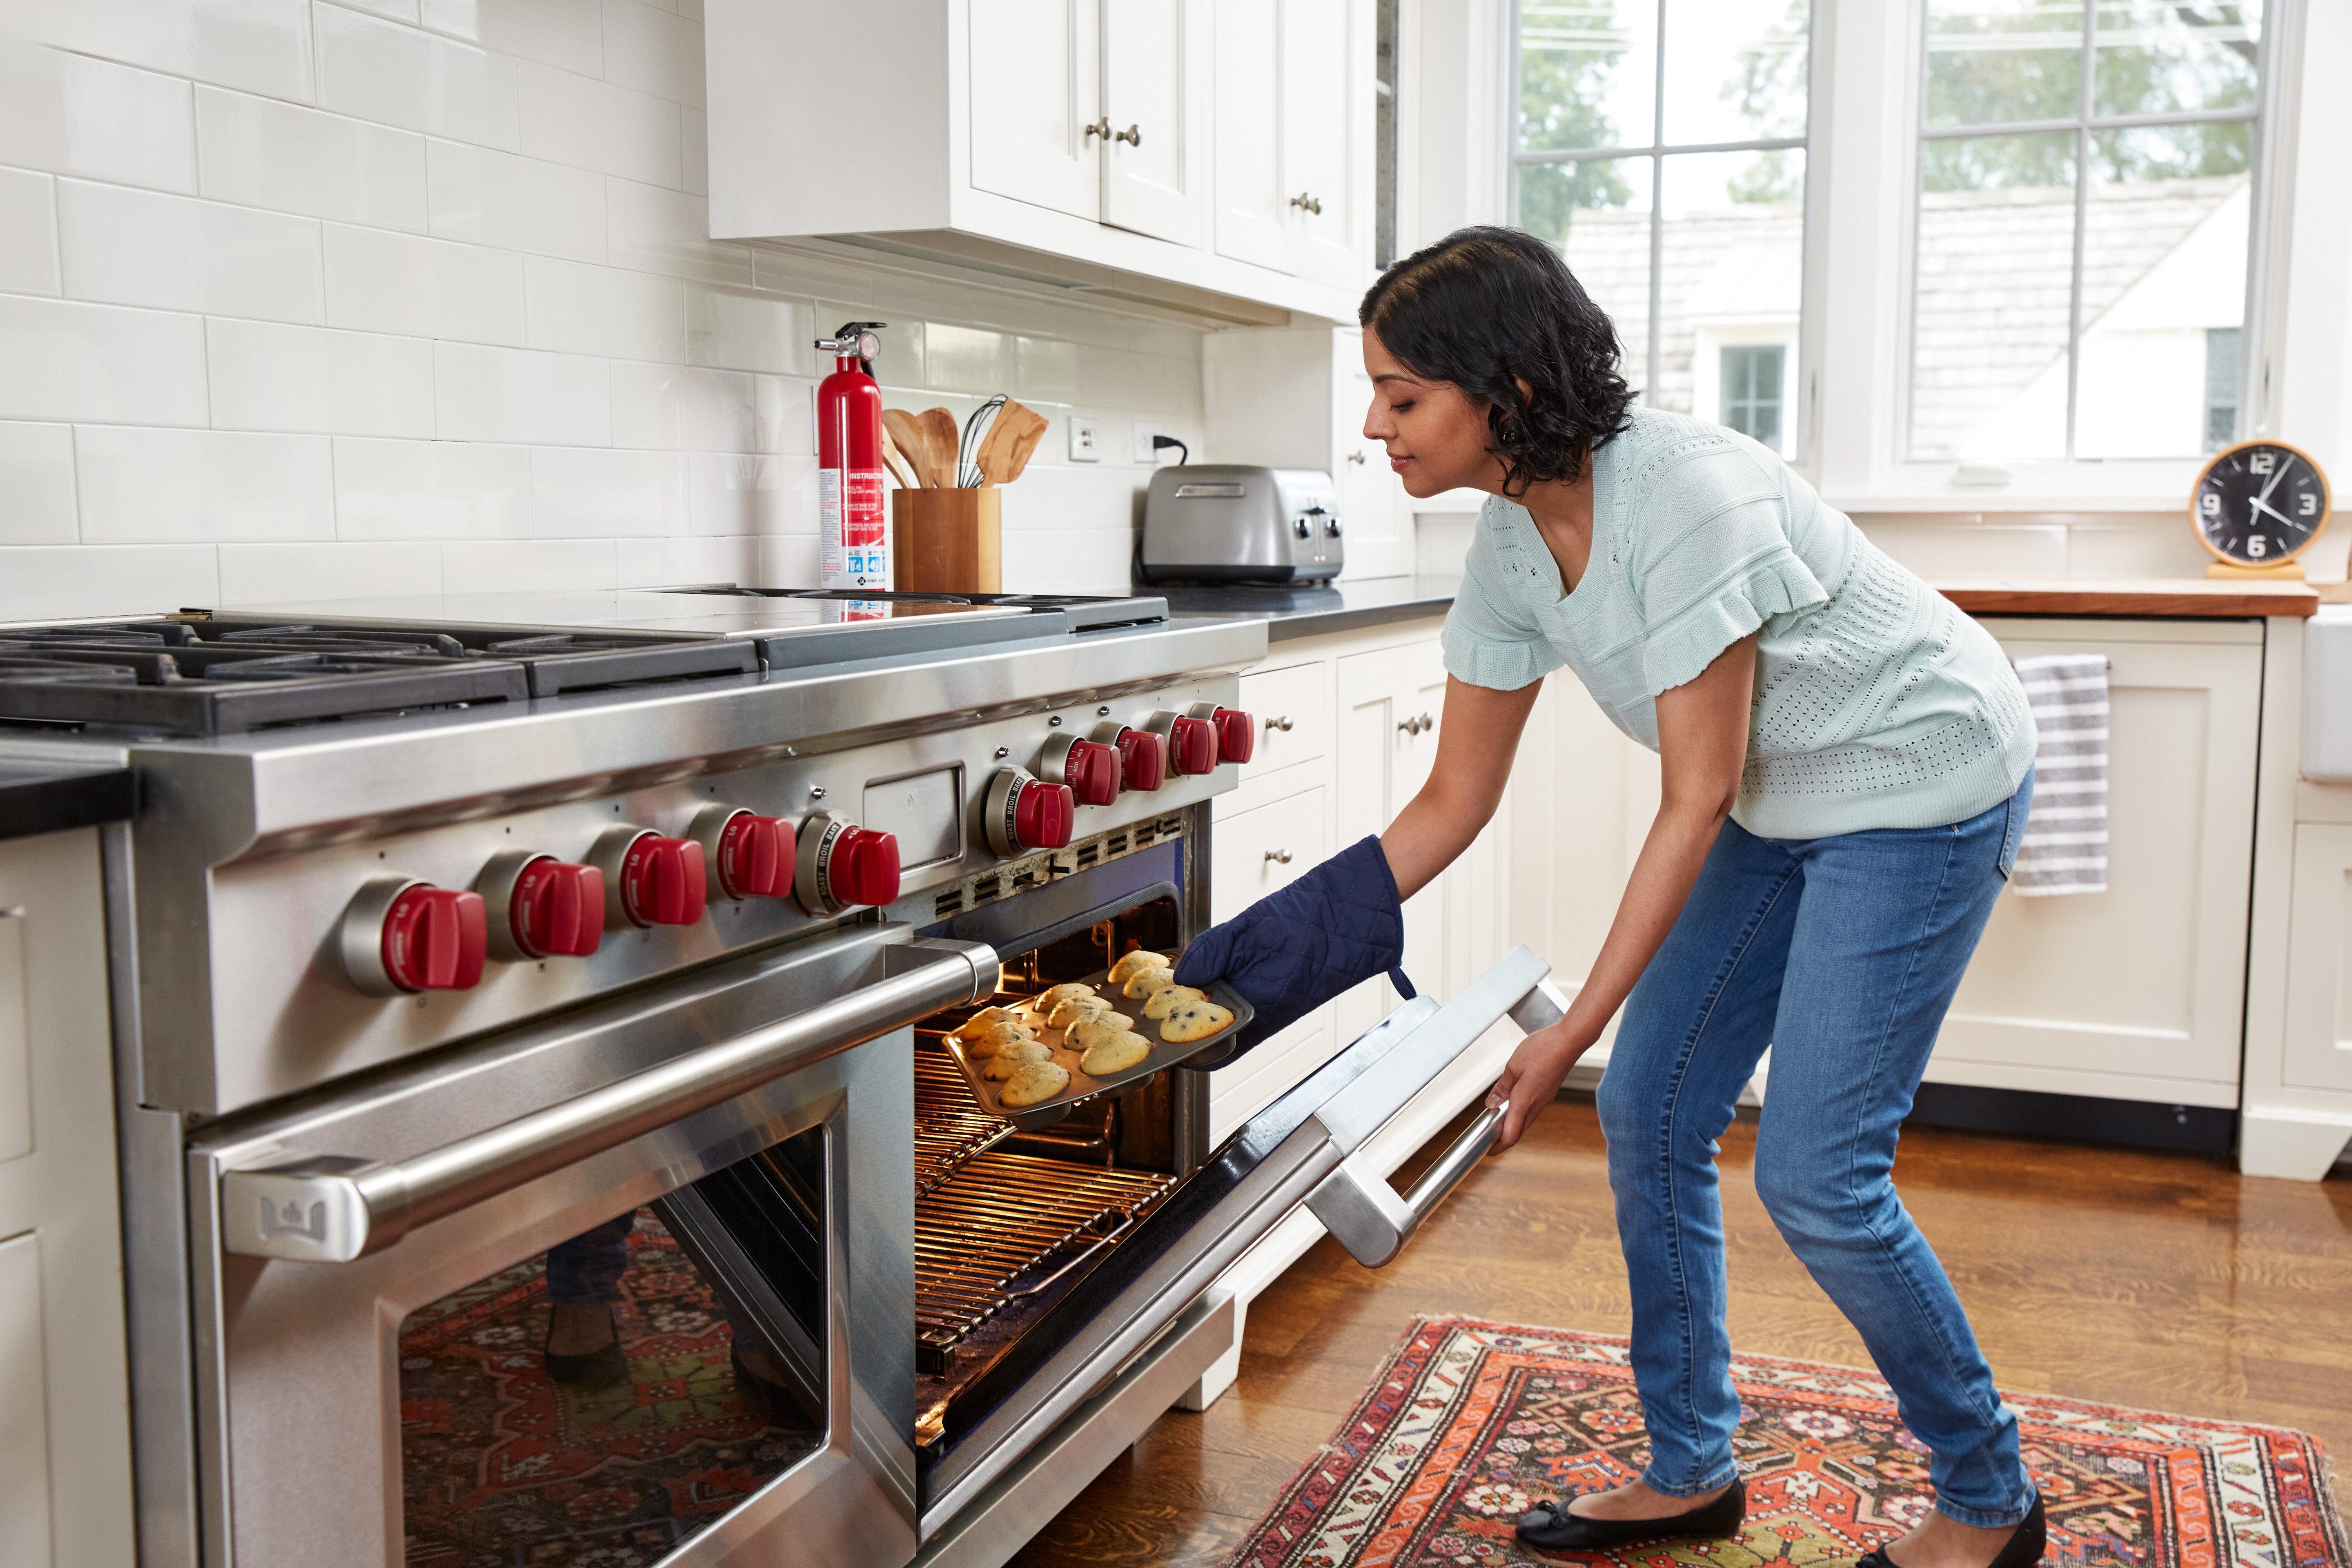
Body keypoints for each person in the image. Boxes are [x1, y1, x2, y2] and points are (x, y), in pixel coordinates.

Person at [1173, 227, 2044, 1568]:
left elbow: (1694, 797)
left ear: (1506, 390)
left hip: (1919, 779)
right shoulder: (1510, 545)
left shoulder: (1683, 495)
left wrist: (1570, 1028)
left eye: (1403, 395)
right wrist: (1247, 970)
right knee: (1651, 1109)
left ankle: (1990, 1497)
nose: (1374, 426)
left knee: (1819, 1177)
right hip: (1779, 795)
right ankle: (1693, 1470)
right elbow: (1452, 802)